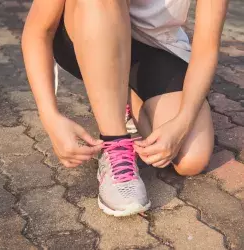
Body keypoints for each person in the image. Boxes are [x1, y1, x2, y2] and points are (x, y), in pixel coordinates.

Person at [22, 0, 228, 216]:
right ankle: (115, 144)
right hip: (88, 28)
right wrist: (50, 116)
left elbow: (207, 48)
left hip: (157, 47)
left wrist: (182, 122)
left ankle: (120, 96)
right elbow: (37, 31)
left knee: (190, 159)